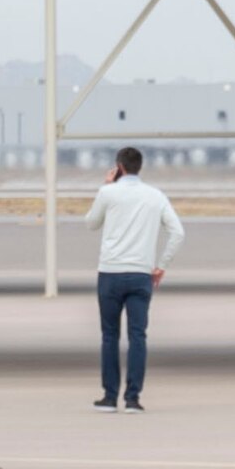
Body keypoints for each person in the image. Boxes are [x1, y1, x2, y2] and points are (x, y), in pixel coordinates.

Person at [86, 146, 184, 413]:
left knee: (110, 336)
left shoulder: (108, 192)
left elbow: (91, 223)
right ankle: (133, 398)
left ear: (119, 166)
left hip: (110, 272)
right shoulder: (155, 196)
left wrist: (105, 185)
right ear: (140, 166)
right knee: (138, 336)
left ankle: (109, 396)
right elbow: (177, 232)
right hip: (141, 273)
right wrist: (161, 266)